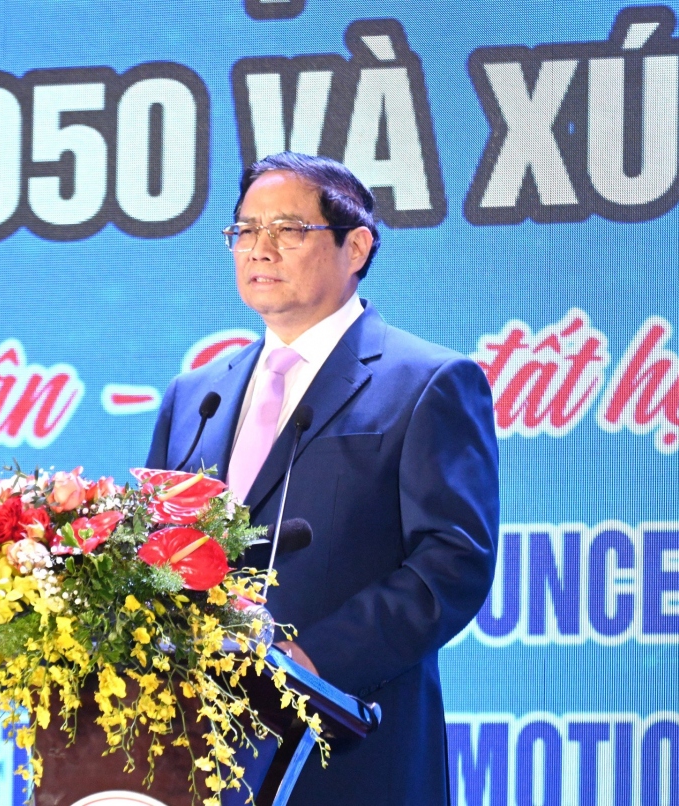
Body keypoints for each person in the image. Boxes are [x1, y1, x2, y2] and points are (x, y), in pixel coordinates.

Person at [145, 152, 499, 804]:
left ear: (355, 246)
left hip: (352, 749)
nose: (259, 248)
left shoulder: (428, 382)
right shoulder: (194, 396)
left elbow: (452, 563)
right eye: (245, 230)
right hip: (198, 753)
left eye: (287, 229)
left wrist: (312, 662)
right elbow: (158, 555)